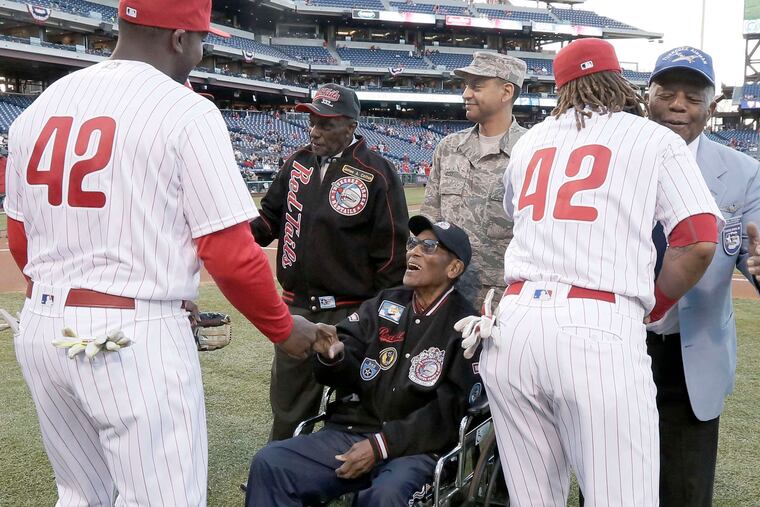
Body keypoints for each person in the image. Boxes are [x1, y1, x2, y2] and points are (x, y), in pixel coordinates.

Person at [3, 0, 316, 504]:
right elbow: (229, 253)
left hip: (43, 329)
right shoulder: (185, 109)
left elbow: (21, 240)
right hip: (131, 337)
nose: (200, 48)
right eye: (199, 38)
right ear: (177, 38)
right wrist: (283, 327)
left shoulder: (42, 105)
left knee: (82, 495)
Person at [460, 38, 723, 506]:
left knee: (533, 500)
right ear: (619, 80)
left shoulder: (531, 141)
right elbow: (700, 238)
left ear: (562, 87)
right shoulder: (653, 138)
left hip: (513, 327)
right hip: (596, 327)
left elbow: (517, 213)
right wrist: (655, 305)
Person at [245, 216, 481, 507]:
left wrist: (382, 445)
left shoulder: (465, 325)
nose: (414, 252)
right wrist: (331, 355)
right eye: (413, 243)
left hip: (415, 451)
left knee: (383, 496)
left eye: (429, 246)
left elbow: (449, 412)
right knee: (272, 463)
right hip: (352, 433)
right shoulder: (384, 303)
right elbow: (341, 359)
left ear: (454, 268)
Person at [251, 83, 409, 441]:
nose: (314, 130)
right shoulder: (297, 164)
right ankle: (283, 476)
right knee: (288, 403)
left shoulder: (377, 174)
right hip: (298, 310)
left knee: (358, 401)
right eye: (312, 121)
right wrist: (233, 236)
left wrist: (379, 316)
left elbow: (391, 256)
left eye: (325, 123)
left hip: (352, 312)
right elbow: (269, 220)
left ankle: (351, 478)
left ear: (351, 126)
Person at [646, 46, 760, 506]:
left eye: (692, 97)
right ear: (645, 97)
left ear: (711, 108)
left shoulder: (743, 174)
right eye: (666, 93)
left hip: (691, 356)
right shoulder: (613, 162)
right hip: (612, 347)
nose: (678, 104)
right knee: (610, 481)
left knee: (685, 492)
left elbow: (754, 254)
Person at [421, 51, 527, 307]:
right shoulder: (449, 148)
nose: (466, 94)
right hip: (445, 294)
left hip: (504, 301)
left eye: (477, 86)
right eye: (466, 86)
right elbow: (429, 218)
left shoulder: (531, 150)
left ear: (506, 91)